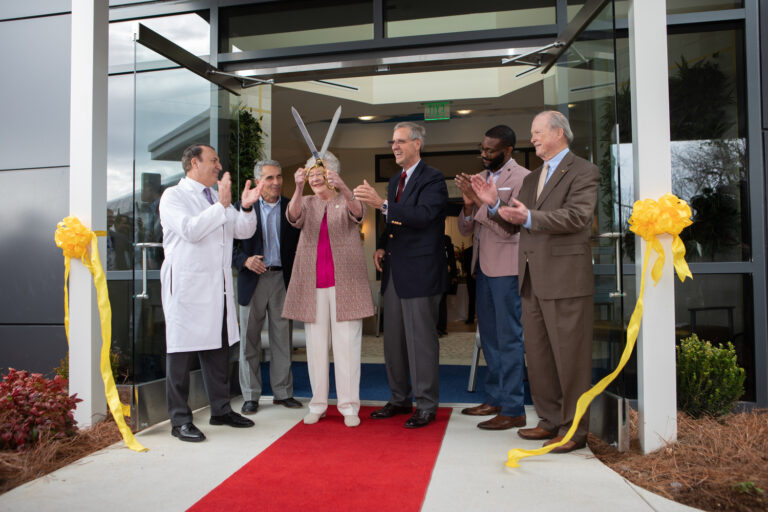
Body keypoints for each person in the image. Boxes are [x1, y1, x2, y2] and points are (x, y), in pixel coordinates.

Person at [471, 111, 599, 453]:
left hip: (566, 280)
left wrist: (529, 216)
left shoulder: (583, 171)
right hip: (530, 279)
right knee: (540, 356)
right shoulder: (533, 178)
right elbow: (515, 225)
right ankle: (548, 420)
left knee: (570, 358)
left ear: (558, 132)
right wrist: (495, 204)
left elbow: (577, 216)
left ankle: (573, 429)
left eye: (538, 132)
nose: (534, 139)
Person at [159, 143, 264, 442]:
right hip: (187, 289)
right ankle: (179, 420)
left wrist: (243, 206)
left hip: (217, 290)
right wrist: (222, 205)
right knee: (180, 356)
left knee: (218, 351)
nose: (219, 166)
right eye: (214, 160)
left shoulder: (216, 199)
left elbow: (242, 231)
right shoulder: (174, 196)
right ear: (194, 162)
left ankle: (220, 410)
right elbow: (191, 230)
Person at [354, 122, 448, 429]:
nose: (394, 146)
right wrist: (381, 246)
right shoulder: (395, 179)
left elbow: (423, 216)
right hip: (394, 272)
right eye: (392, 141)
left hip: (421, 273)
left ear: (417, 144)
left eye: (401, 141)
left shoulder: (433, 178)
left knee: (421, 341)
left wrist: (381, 204)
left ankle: (426, 404)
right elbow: (393, 223)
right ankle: (399, 399)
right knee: (392, 341)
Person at [282, 152, 373, 428]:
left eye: (320, 174)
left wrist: (344, 187)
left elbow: (358, 212)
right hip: (312, 286)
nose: (315, 179)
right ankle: (318, 404)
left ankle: (348, 406)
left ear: (332, 175)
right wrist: (298, 188)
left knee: (347, 346)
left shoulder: (344, 198)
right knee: (316, 348)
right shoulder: (306, 202)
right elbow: (293, 217)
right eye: (311, 175)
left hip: (347, 285)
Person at [455, 125, 529, 430]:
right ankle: (495, 398)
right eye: (482, 149)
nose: (484, 155)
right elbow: (465, 229)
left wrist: (484, 202)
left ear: (508, 150)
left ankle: (514, 409)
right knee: (489, 339)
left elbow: (510, 227)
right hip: (482, 268)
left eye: (490, 150)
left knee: (509, 339)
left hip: (507, 269)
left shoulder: (522, 178)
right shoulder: (481, 179)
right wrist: (469, 204)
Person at [233, 160, 301, 415]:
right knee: (248, 341)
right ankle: (250, 395)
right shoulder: (242, 208)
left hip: (282, 280)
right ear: (259, 181)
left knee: (282, 339)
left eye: (279, 177)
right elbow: (227, 246)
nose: (275, 182)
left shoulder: (290, 208)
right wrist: (245, 261)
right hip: (253, 280)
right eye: (269, 178)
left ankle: (283, 393)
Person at [436, 234, 458, 336]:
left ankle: (441, 327)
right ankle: (438, 328)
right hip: (434, 275)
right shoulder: (430, 237)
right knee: (438, 303)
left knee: (441, 302)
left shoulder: (446, 240)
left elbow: (452, 258)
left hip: (444, 276)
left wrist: (453, 275)